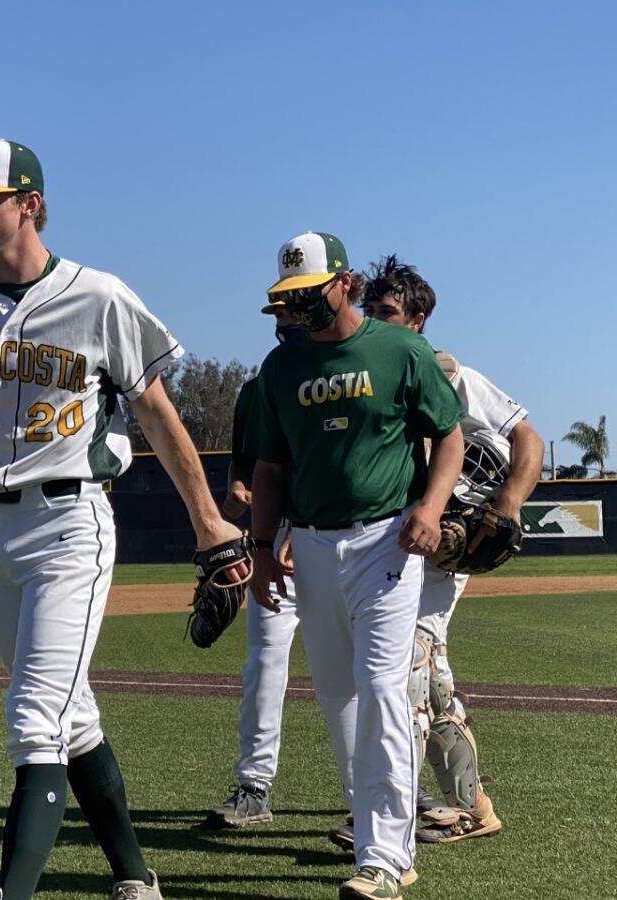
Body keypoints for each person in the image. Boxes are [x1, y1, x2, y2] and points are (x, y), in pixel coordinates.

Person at [0, 138, 249, 900]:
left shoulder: (99, 296)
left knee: (32, 722)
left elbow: (156, 412)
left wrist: (209, 521)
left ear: (33, 205)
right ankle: (135, 876)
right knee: (69, 716)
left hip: (69, 522)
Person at [246, 231, 464, 900]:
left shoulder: (400, 349)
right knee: (338, 693)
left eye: (309, 295)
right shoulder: (279, 370)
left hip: (387, 541)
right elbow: (270, 469)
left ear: (346, 283)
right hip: (310, 544)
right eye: (290, 299)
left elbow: (449, 434)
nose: (299, 310)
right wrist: (260, 548)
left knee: (380, 688)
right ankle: (371, 824)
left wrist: (430, 508)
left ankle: (384, 856)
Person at [358, 255, 543, 844]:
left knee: (409, 671)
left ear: (418, 319)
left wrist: (507, 505)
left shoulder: (453, 378)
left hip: (444, 550)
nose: (375, 322)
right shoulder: (365, 378)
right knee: (425, 678)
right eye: (370, 310)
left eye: (387, 312)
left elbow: (528, 440)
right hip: (396, 546)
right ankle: (460, 805)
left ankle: (404, 813)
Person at [201, 301, 305, 829]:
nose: (282, 321)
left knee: (375, 674)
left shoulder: (353, 371)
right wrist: (237, 483)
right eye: (278, 313)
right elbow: (246, 458)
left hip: (345, 536)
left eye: (292, 309)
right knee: (265, 660)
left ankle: (395, 788)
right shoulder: (259, 385)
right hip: (277, 536)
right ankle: (254, 784)